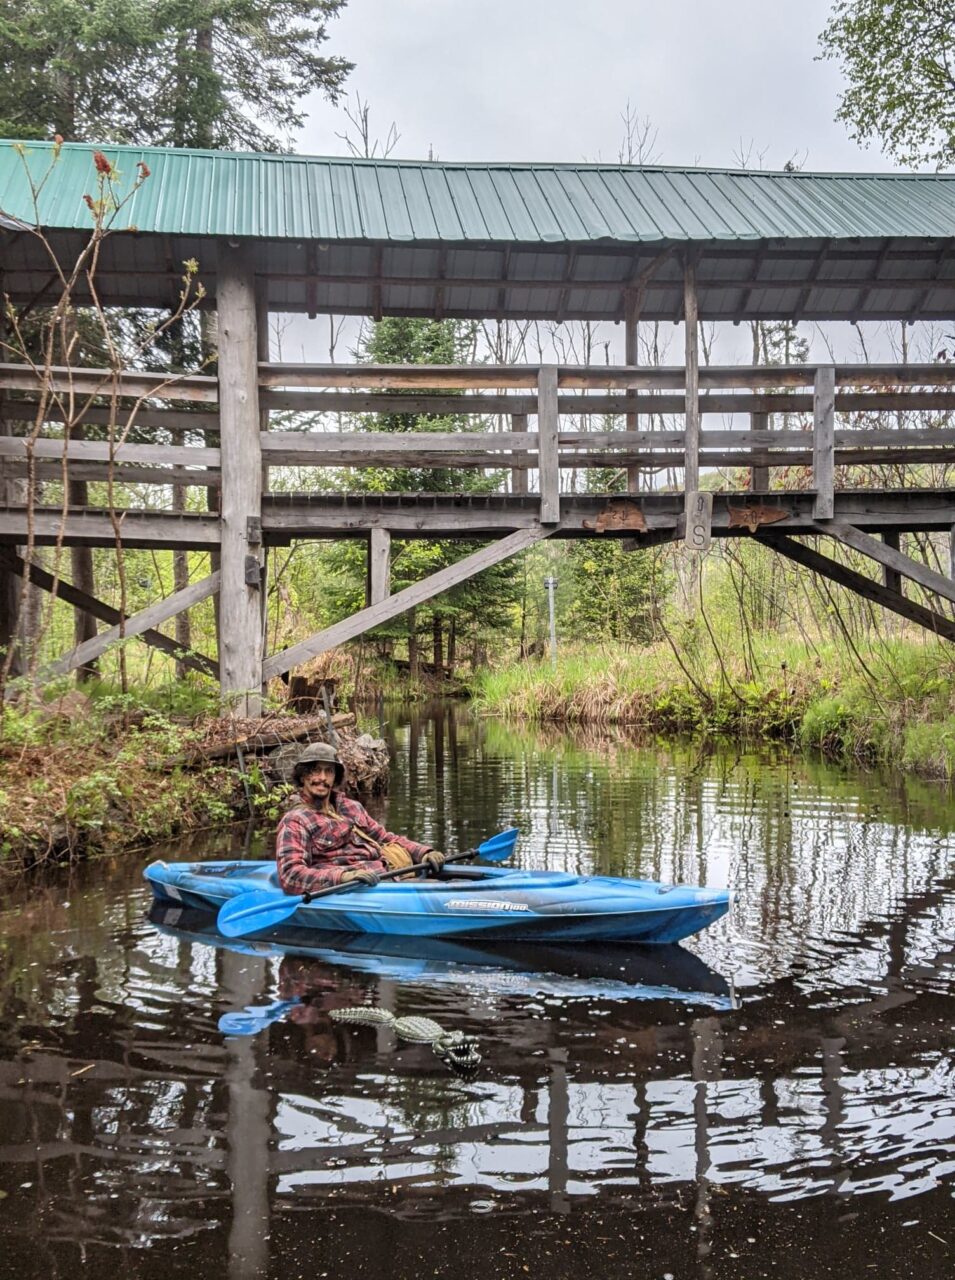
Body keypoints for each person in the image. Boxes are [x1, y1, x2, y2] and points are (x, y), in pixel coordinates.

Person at [275, 742, 445, 896]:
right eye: (315, 771)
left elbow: (385, 838)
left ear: (335, 777)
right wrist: (343, 877)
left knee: (459, 884)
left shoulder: (351, 807)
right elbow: (291, 876)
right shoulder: (295, 821)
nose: (322, 778)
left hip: (388, 878)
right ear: (303, 776)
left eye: (329, 771)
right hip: (356, 891)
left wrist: (423, 852)